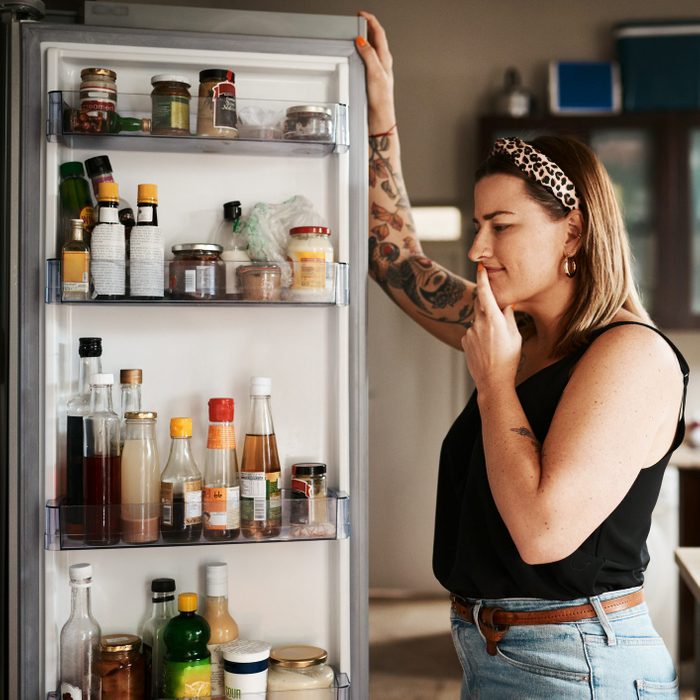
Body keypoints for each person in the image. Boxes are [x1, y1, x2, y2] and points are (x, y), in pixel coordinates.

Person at [356, 11, 688, 699]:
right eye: (478, 225)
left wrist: (495, 383)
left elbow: (542, 533)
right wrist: (380, 116)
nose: (478, 249)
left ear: (573, 233)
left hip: (577, 664)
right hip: (496, 652)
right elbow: (394, 259)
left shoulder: (630, 355)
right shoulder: (517, 333)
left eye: (500, 226)